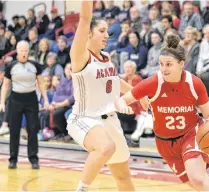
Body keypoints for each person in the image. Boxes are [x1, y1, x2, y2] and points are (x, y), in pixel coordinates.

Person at [115, 34, 209, 191]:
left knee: (197, 177)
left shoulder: (194, 83)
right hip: (165, 142)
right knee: (194, 183)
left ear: (181, 64)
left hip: (190, 134)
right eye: (161, 64)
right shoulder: (153, 82)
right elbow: (122, 99)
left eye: (169, 64)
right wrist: (122, 105)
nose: (164, 69)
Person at [66, 1, 148, 192]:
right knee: (105, 148)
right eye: (102, 31)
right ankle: (82, 189)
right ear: (88, 33)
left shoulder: (106, 58)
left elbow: (115, 81)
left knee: (123, 177)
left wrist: (137, 94)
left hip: (110, 120)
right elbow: (85, 17)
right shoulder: (80, 56)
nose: (106, 35)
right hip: (85, 118)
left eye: (107, 31)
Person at [0, 40, 49, 169]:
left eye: (25, 50)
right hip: (15, 99)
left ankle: (33, 159)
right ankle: (13, 159)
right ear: (17, 51)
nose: (23, 53)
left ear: (28, 52)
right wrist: (2, 102)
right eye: (21, 50)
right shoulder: (11, 66)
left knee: (32, 129)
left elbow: (41, 83)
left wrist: (46, 100)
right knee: (14, 130)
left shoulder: (34, 65)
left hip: (31, 98)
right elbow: (5, 85)